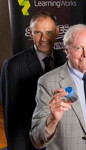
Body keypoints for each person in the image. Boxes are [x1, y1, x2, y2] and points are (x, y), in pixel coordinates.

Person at [29, 24, 86, 150]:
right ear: (66, 50)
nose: (85, 54)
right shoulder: (48, 82)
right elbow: (36, 139)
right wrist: (52, 120)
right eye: (78, 48)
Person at [0, 11, 67, 150]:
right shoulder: (13, 65)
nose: (43, 38)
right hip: (28, 142)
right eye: (38, 32)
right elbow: (11, 115)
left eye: (48, 32)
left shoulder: (66, 61)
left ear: (57, 32)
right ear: (30, 33)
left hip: (60, 141)